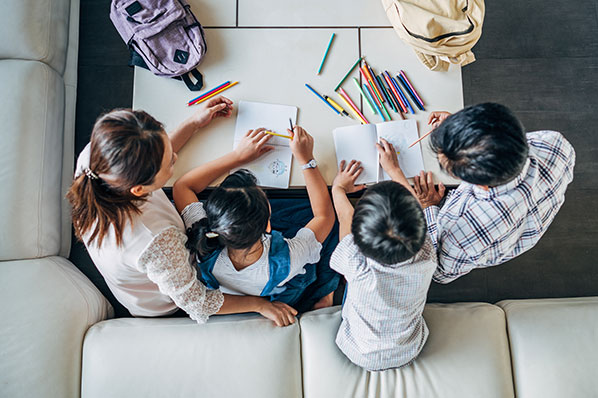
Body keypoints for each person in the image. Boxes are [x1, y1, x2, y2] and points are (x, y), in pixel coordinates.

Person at [67, 97, 298, 327]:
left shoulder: (97, 158)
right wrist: (260, 304)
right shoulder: (155, 241)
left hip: (162, 257)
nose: (175, 159)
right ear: (138, 189)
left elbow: (154, 157)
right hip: (168, 298)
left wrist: (193, 124)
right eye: (169, 163)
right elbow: (197, 302)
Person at [173, 126, 339, 314]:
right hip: (282, 283)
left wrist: (238, 156)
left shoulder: (202, 240)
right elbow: (324, 215)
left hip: (239, 287)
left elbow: (183, 186)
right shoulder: (290, 257)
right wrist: (306, 159)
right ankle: (325, 291)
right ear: (269, 225)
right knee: (333, 222)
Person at [414, 103, 576, 283]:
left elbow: (439, 274)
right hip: (537, 209)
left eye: (448, 167)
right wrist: (464, 132)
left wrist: (429, 206)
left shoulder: (462, 230)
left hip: (493, 237)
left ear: (478, 183)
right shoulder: (553, 142)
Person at [329, 138, 436, 371]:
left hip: (358, 350)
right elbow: (416, 213)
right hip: (408, 349)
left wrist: (338, 188)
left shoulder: (356, 265)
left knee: (348, 277)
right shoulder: (428, 255)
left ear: (358, 238)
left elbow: (345, 219)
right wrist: (394, 170)